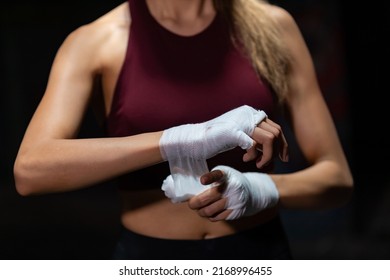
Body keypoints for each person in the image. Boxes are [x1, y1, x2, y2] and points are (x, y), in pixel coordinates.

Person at [13, 0, 353, 260]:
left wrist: (261, 189)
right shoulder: (96, 42)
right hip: (147, 260)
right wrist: (183, 140)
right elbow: (31, 170)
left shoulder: (272, 27)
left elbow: (337, 179)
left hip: (259, 255)